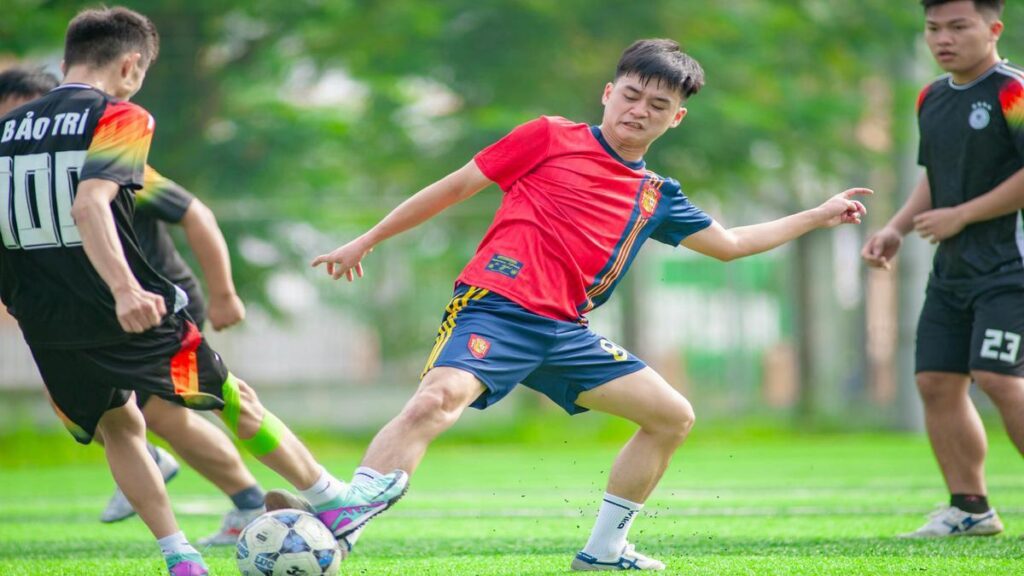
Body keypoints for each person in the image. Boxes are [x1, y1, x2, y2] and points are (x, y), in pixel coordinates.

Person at [273, 38, 869, 571]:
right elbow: (456, 186)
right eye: (631, 96)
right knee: (437, 398)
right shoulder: (547, 136)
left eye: (657, 106)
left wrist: (818, 215)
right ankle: (337, 523)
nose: (639, 111)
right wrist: (368, 238)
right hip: (495, 306)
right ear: (609, 93)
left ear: (676, 118)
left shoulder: (656, 195)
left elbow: (732, 245)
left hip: (564, 332)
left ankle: (605, 551)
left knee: (673, 416)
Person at [0, 8, 406, 574]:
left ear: (67, 57)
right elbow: (89, 203)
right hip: (126, 313)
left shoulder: (5, 130)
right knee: (233, 397)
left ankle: (180, 557)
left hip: (44, 321)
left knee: (121, 427)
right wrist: (123, 289)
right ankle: (335, 502)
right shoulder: (119, 115)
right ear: (131, 65)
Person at [0, 66, 264, 545]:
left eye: (17, 114)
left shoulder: (114, 156)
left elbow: (196, 213)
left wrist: (224, 292)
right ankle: (226, 490)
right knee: (97, 409)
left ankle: (265, 499)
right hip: (92, 312)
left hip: (157, 303)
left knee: (163, 414)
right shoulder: (13, 173)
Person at [862, 0, 1023, 538]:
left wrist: (964, 215)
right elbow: (935, 175)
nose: (943, 39)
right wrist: (896, 228)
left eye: (959, 26)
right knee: (935, 381)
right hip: (952, 270)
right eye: (934, 28)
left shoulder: (1014, 92)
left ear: (993, 28)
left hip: (1010, 266)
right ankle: (970, 509)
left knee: (1000, 378)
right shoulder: (930, 97)